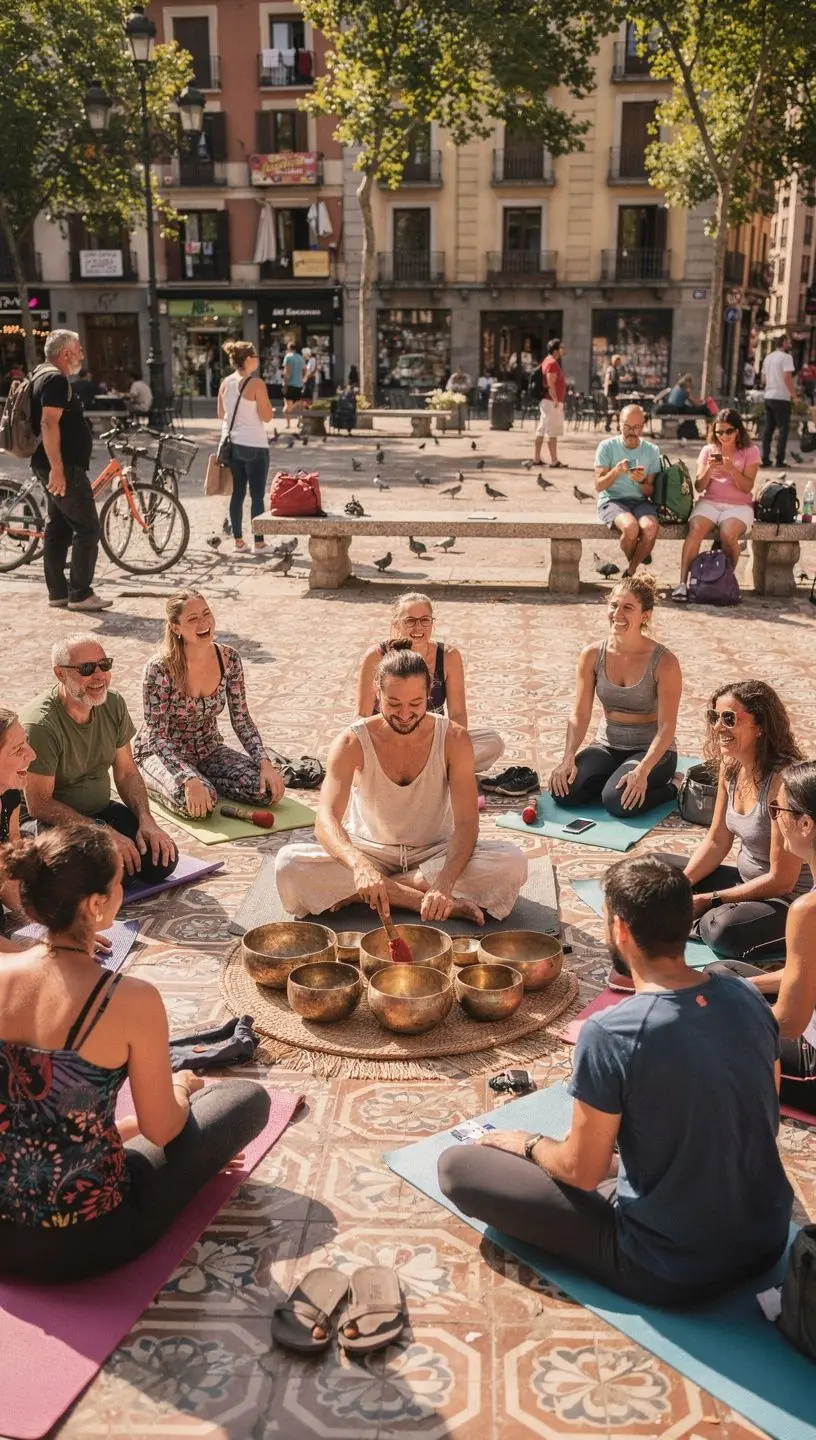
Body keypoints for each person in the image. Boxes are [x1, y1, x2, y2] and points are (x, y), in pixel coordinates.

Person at [438, 855, 792, 1306]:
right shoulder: (746, 996)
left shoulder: (611, 1032)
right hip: (766, 1242)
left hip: (670, 1269)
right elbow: (762, 1119)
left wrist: (527, 1143)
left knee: (458, 1167)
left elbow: (581, 1172)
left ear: (620, 929)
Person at [0, 824, 270, 1281]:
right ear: (95, 905)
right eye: (118, 884)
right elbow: (162, 1128)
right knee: (245, 1102)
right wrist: (182, 1086)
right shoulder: (131, 999)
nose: (122, 891)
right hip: (93, 1236)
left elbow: (33, 1113)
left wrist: (118, 1130)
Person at [275, 645, 527, 925]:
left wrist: (443, 883)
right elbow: (325, 819)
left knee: (512, 862)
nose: (405, 714)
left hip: (435, 851)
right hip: (371, 850)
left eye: (415, 704)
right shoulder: (351, 742)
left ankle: (371, 892)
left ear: (429, 693)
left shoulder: (453, 738)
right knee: (289, 864)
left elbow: (467, 822)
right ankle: (418, 900)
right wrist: (360, 867)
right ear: (377, 692)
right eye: (394, 704)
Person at [21, 634, 178, 885]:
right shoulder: (41, 724)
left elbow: (126, 772)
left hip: (99, 812)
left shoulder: (113, 703)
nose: (99, 675)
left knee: (162, 860)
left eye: (104, 665)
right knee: (111, 870)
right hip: (50, 823)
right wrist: (100, 832)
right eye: (86, 669)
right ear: (60, 673)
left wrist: (147, 819)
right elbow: (39, 805)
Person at [682, 681, 807, 963]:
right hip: (747, 883)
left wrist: (711, 899)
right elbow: (716, 841)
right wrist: (683, 881)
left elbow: (781, 881)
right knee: (660, 875)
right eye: (715, 717)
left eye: (729, 719)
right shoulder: (732, 767)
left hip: (788, 900)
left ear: (760, 726)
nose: (717, 728)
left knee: (721, 929)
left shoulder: (781, 784)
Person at [134, 591, 285, 819]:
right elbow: (157, 737)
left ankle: (205, 779)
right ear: (176, 628)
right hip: (162, 753)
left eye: (207, 614)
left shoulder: (229, 659)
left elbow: (242, 719)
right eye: (193, 619)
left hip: (208, 749)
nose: (204, 623)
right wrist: (187, 777)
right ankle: (156, 778)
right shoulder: (159, 669)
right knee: (198, 806)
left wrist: (264, 762)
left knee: (264, 790)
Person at [549, 576, 681, 822]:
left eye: (628, 608)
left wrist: (642, 771)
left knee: (618, 802)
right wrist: (568, 757)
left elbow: (666, 727)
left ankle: (673, 786)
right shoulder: (591, 655)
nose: (617, 614)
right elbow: (579, 714)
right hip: (607, 745)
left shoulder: (665, 662)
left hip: (651, 750)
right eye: (613, 605)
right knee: (563, 791)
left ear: (646, 615)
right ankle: (610, 778)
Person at [355, 592, 505, 778]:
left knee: (492, 741)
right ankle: (430, 774)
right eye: (410, 620)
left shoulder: (449, 656)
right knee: (351, 744)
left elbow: (458, 713)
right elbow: (362, 714)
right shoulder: (376, 656)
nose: (418, 627)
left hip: (431, 742)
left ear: (433, 623)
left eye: (425, 620)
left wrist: (455, 747)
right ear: (396, 624)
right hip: (388, 741)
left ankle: (420, 772)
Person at [29, 328, 111, 612]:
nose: (81, 356)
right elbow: (49, 424)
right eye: (79, 350)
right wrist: (58, 469)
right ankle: (80, 593)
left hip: (54, 465)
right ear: (66, 353)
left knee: (60, 527)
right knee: (87, 528)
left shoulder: (41, 374)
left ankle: (58, 592)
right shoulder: (53, 379)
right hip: (64, 468)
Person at [757, 760, 816, 1116]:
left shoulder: (808, 911)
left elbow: (791, 1021)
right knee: (721, 976)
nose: (773, 817)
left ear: (806, 824)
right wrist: (742, 989)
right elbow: (805, 971)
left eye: (778, 808)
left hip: (811, 1065)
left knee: (698, 1033)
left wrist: (721, 1014)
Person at [672, 409, 760, 602]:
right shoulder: (708, 450)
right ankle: (682, 584)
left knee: (728, 533)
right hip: (710, 502)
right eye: (719, 432)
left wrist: (731, 469)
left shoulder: (750, 451)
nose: (723, 436)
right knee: (695, 529)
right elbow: (699, 485)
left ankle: (724, 580)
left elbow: (747, 487)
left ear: (737, 431)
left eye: (728, 431)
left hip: (739, 505)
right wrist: (709, 471)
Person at [216, 340, 274, 556]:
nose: (257, 360)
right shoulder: (256, 384)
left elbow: (222, 415)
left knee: (238, 493)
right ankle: (259, 544)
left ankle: (239, 543)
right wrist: (266, 410)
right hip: (255, 444)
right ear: (248, 359)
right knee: (257, 495)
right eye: (255, 356)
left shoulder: (225, 382)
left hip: (233, 446)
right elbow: (267, 417)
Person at [593, 404, 662, 575]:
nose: (631, 431)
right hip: (612, 500)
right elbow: (599, 485)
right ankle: (639, 559)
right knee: (631, 528)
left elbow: (650, 491)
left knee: (651, 528)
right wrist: (616, 472)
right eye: (627, 427)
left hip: (640, 501)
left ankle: (630, 572)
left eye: (636, 427)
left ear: (643, 426)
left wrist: (642, 481)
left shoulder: (651, 450)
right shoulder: (606, 446)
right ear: (619, 424)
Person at [0, 707, 36, 952]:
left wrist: (51, 931)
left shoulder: (9, 794)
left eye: (27, 743)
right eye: (18, 749)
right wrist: (43, 957)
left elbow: (7, 872)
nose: (32, 755)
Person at [761, 335, 796, 468]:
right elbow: (787, 377)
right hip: (781, 397)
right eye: (789, 341)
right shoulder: (787, 358)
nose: (790, 343)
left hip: (769, 395)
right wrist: (794, 395)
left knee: (768, 428)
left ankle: (765, 459)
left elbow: (763, 380)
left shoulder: (768, 358)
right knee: (783, 428)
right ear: (783, 343)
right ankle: (779, 460)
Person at [533, 338, 567, 469]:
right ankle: (554, 460)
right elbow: (550, 383)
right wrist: (556, 400)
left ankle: (536, 458)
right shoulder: (552, 363)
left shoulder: (548, 361)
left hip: (547, 402)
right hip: (551, 402)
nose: (564, 350)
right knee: (552, 432)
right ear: (556, 350)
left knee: (541, 430)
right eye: (562, 347)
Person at [282, 340, 304, 427]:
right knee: (293, 405)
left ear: (289, 348)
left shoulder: (288, 357)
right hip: (298, 384)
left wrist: (285, 384)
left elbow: (287, 372)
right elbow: (305, 369)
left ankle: (288, 425)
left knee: (287, 407)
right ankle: (298, 421)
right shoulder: (300, 357)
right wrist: (302, 378)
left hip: (290, 384)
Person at [603, 353, 623, 432]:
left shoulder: (614, 369)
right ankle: (608, 426)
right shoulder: (610, 369)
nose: (619, 363)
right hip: (611, 393)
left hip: (615, 393)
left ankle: (618, 426)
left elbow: (616, 379)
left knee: (616, 409)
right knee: (613, 409)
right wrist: (607, 384)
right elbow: (608, 380)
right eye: (619, 361)